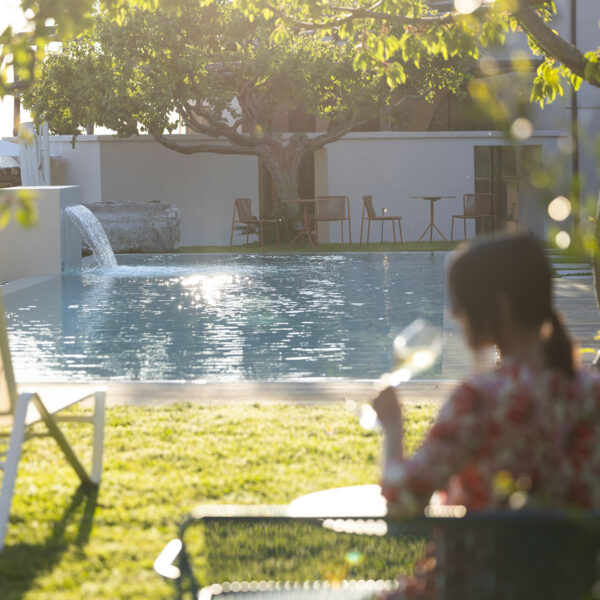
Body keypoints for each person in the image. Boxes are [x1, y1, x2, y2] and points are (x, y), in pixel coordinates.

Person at [372, 233, 600, 515]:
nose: (455, 312)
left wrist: (393, 426)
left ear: (501, 307)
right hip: (574, 559)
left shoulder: (479, 399)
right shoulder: (592, 394)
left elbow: (403, 498)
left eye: (461, 301)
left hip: (482, 559)